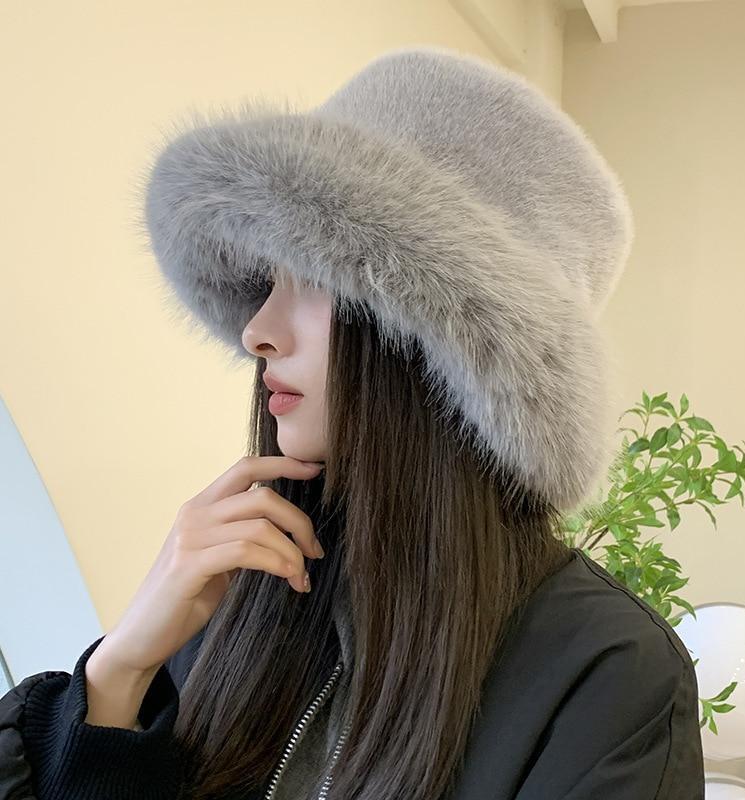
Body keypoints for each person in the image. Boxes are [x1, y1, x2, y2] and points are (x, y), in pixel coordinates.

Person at [0, 45, 705, 800]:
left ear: (437, 339)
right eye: (268, 279)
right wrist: (122, 667)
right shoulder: (242, 592)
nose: (256, 331)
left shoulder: (607, 673)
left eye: (310, 279)